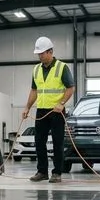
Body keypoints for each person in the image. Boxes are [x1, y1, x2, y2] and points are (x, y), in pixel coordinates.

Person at [22, 37, 75, 183]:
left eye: (42, 53)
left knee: (57, 142)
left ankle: (57, 173)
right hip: (41, 111)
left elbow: (71, 88)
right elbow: (34, 90)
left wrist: (62, 103)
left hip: (57, 112)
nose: (40, 56)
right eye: (38, 54)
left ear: (50, 51)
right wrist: (27, 107)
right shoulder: (36, 69)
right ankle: (42, 172)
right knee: (39, 142)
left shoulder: (62, 67)